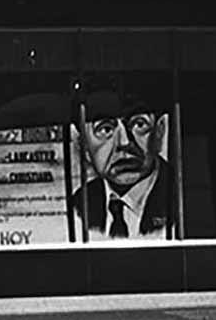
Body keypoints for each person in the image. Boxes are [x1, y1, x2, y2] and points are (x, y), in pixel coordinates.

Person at [72, 86, 173, 239]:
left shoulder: (184, 198)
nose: (125, 142)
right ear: (83, 145)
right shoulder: (78, 204)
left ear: (160, 131)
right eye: (105, 129)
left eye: (139, 124)